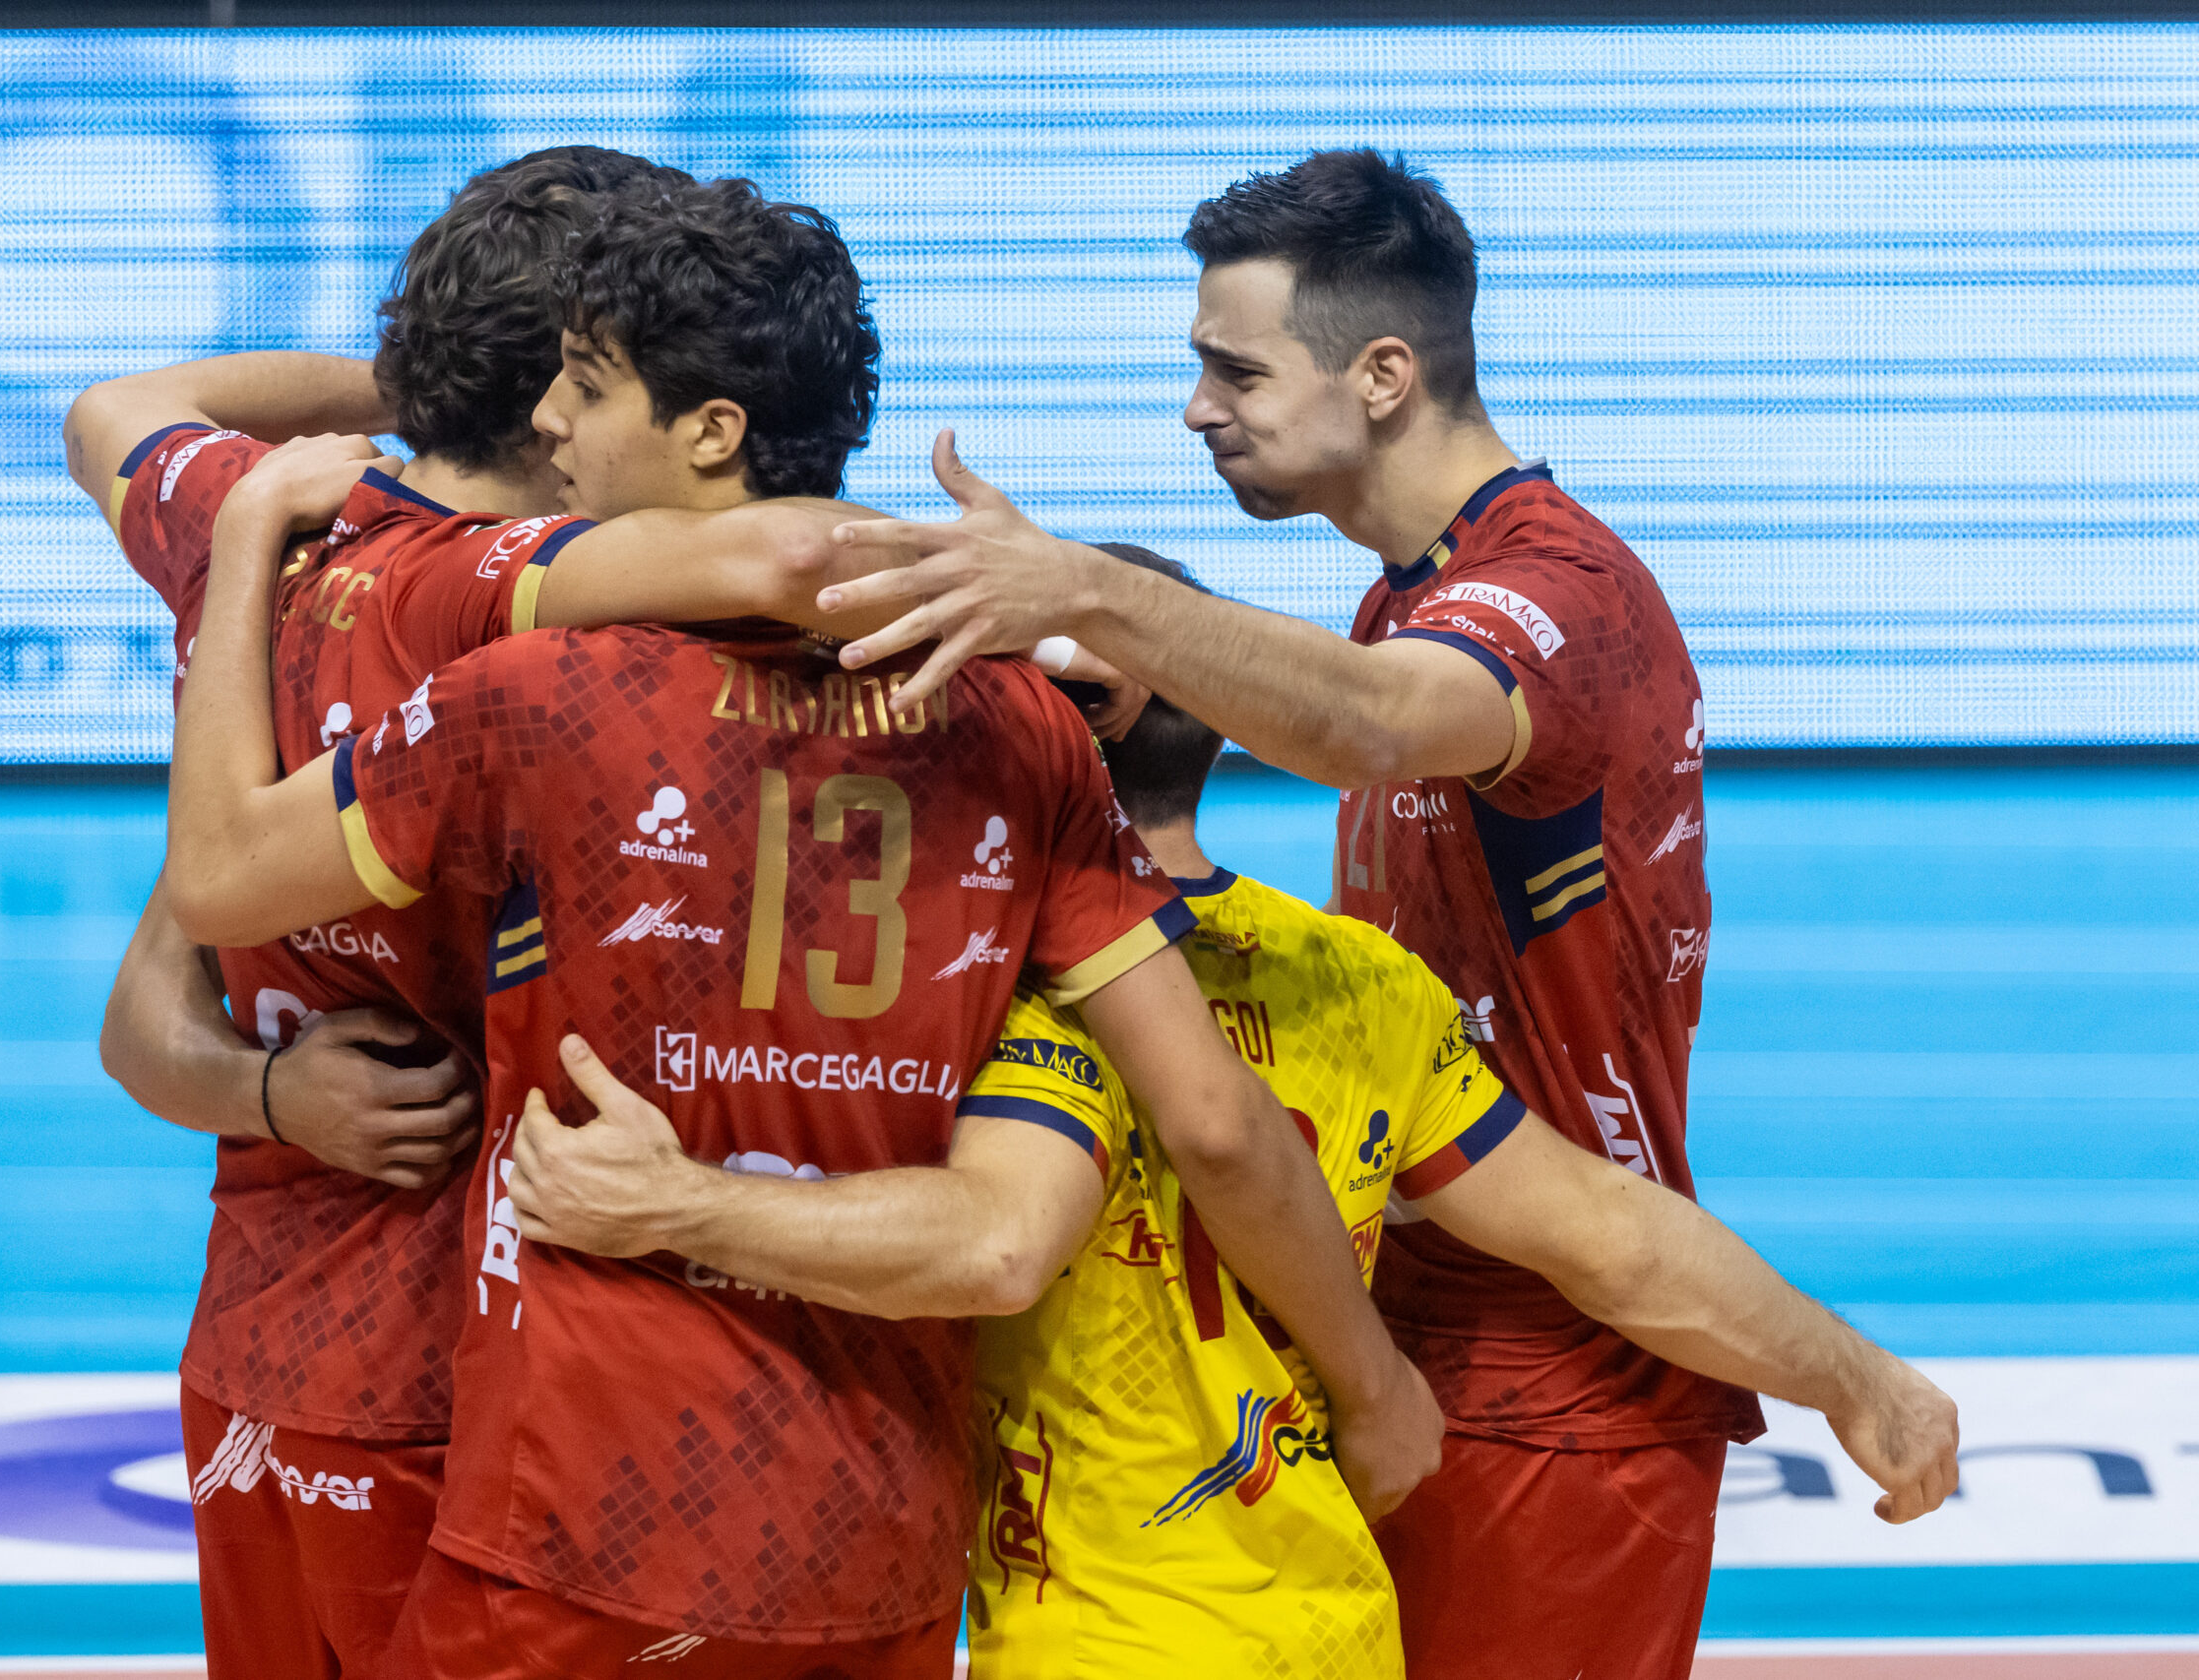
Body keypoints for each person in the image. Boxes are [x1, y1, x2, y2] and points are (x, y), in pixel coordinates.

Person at [162, 177, 1441, 1680]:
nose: (552, 424)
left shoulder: (535, 698)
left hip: (580, 1523)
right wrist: (1373, 1386)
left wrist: (241, 550)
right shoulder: (1022, 723)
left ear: (710, 431)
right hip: (875, 1545)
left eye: (587, 386)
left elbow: (221, 885)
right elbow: (1215, 1123)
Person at [808, 147, 1900, 1676]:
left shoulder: (1553, 597)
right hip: (1405, 1342)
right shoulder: (1408, 598)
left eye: (1236, 371)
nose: (1198, 410)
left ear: (1383, 374)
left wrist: (1085, 591)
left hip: (1554, 1393)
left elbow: (1370, 723)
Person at [498, 545, 1959, 1680]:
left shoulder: (983, 982)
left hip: (1095, 1642)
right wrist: (1857, 1379)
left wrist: (674, 1205)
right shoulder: (1360, 981)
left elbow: (995, 1247)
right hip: (1327, 1628)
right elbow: (1610, 1237)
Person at [67, 147, 895, 1679]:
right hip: (466, 1351)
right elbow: (786, 552)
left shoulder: (245, 520)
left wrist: (394, 402)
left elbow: (115, 408)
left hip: (258, 1333)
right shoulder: (508, 588)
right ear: (556, 399)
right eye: (596, 358)